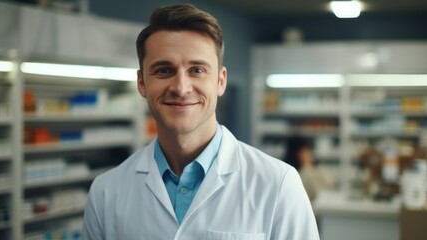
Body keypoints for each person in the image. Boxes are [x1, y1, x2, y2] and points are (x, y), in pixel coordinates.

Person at [82, 4, 319, 240]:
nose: (181, 88)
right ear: (142, 83)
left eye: (197, 70)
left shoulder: (278, 185)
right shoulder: (106, 192)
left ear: (220, 81)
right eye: (164, 70)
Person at [284, 135, 335, 200]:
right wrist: (307, 166)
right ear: (298, 154)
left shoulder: (312, 168)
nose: (309, 154)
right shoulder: (302, 173)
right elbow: (317, 191)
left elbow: (331, 181)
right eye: (305, 151)